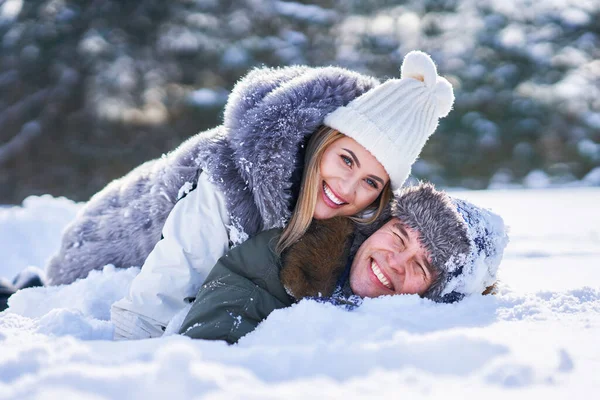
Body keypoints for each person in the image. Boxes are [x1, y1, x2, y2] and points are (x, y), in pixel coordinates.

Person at [45, 51, 455, 338]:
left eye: (370, 182)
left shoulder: (353, 218)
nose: (348, 189)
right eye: (347, 160)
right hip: (100, 252)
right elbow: (151, 304)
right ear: (322, 141)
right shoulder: (229, 185)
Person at [179, 183, 509, 344]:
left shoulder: (428, 340)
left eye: (420, 268)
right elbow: (206, 353)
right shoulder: (283, 255)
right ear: (378, 227)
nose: (395, 262)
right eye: (398, 237)